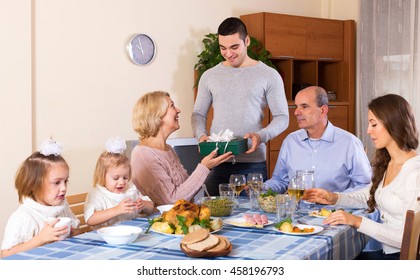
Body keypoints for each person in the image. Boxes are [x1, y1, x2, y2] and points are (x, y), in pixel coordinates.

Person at [303, 94, 420, 260]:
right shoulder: (391, 162)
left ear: (394, 123)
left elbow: (408, 239)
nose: (368, 131)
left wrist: (358, 221)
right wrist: (334, 198)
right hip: (388, 253)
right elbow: (369, 194)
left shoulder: (415, 173)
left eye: (374, 124)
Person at [191, 17, 289, 196]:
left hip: (252, 165)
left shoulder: (268, 75)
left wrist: (260, 137)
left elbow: (283, 117)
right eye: (223, 48)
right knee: (212, 219)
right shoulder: (209, 76)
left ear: (247, 41)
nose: (228, 53)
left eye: (234, 47)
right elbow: (198, 114)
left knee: (251, 218)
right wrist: (201, 135)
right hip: (216, 162)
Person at [131, 91, 233, 206]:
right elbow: (171, 201)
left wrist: (211, 165)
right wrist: (204, 167)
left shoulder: (167, 149)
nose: (178, 110)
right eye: (172, 106)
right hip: (161, 222)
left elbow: (186, 190)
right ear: (157, 115)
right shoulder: (143, 155)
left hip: (183, 217)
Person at [264, 86, 372, 193]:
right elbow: (280, 181)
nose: (296, 112)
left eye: (304, 106)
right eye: (296, 106)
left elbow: (365, 186)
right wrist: (260, 188)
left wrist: (335, 198)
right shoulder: (290, 141)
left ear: (323, 111)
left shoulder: (349, 143)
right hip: (298, 209)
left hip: (334, 209)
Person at [1, 139, 79, 258]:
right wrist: (40, 239)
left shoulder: (62, 206)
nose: (63, 188)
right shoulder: (23, 217)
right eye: (56, 182)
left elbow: (77, 232)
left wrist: (73, 233)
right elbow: (5, 255)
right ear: (33, 185)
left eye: (65, 181)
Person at [84, 137, 155, 230]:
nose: (122, 182)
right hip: (107, 237)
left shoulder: (130, 189)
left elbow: (151, 208)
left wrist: (144, 204)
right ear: (102, 176)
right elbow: (90, 219)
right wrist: (117, 210)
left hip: (131, 232)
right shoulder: (98, 194)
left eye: (125, 177)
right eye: (116, 178)